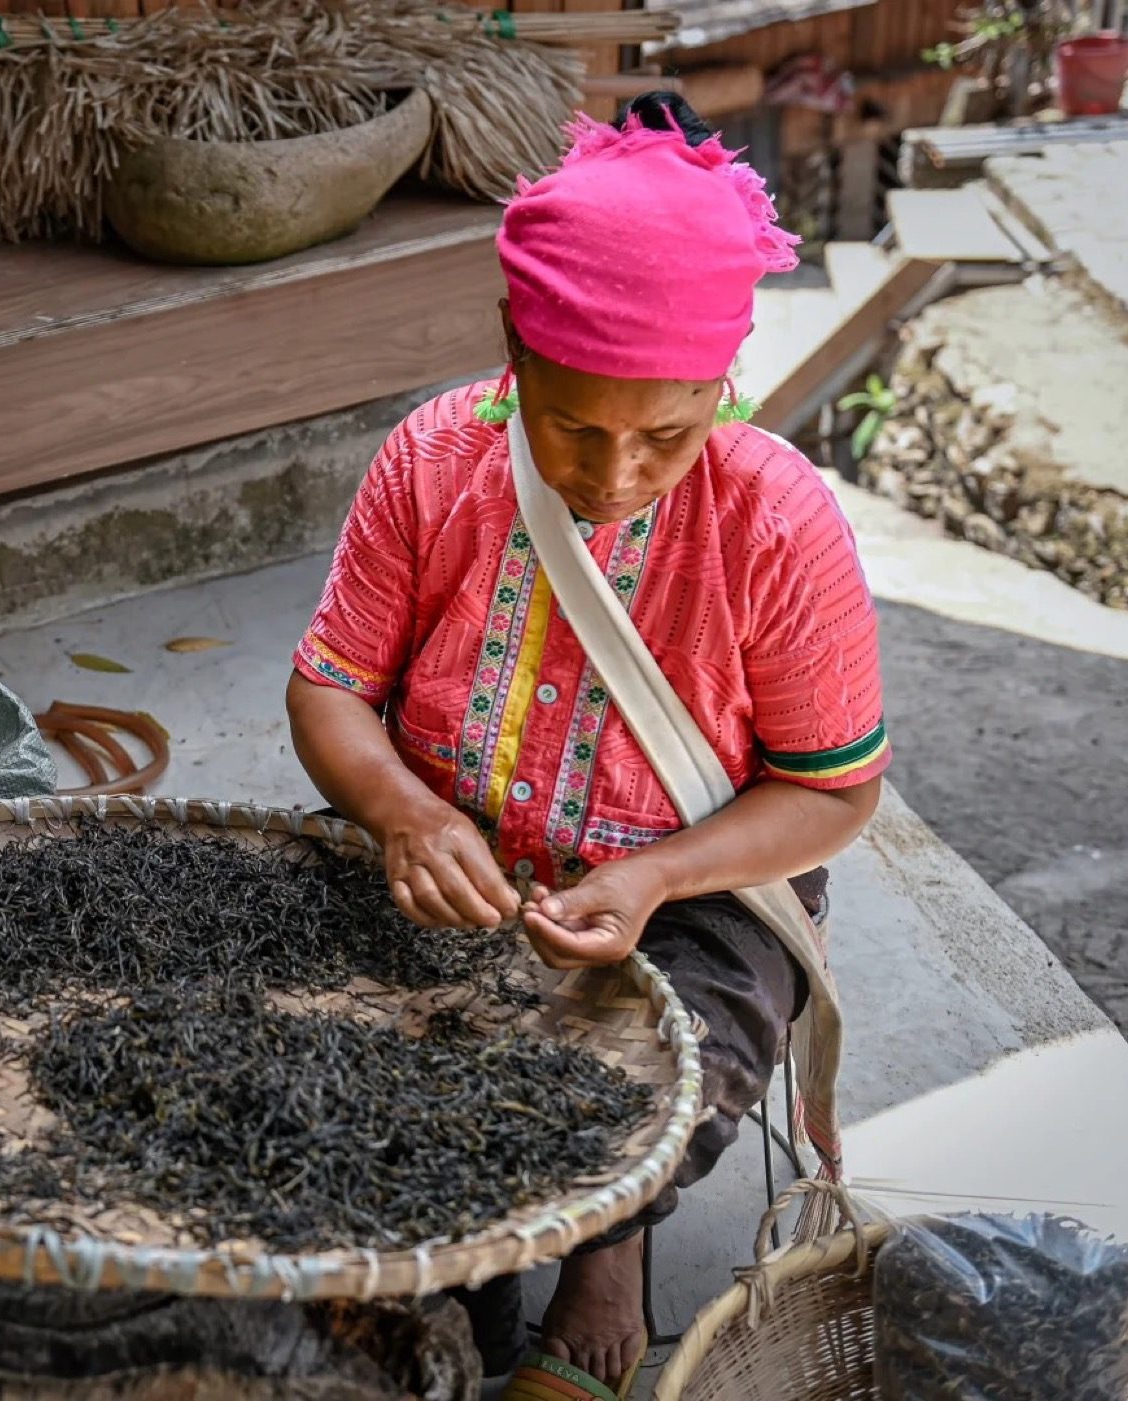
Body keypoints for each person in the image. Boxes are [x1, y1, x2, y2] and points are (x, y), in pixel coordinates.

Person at [285, 93, 888, 1396]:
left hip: (692, 892)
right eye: (572, 428)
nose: (615, 476)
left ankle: (606, 1256)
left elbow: (833, 793)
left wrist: (654, 877)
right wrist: (399, 806)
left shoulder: (778, 524)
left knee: (620, 1119)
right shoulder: (432, 463)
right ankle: (488, 1272)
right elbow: (329, 690)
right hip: (449, 866)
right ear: (515, 350)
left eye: (665, 435)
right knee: (372, 1091)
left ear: (720, 387)